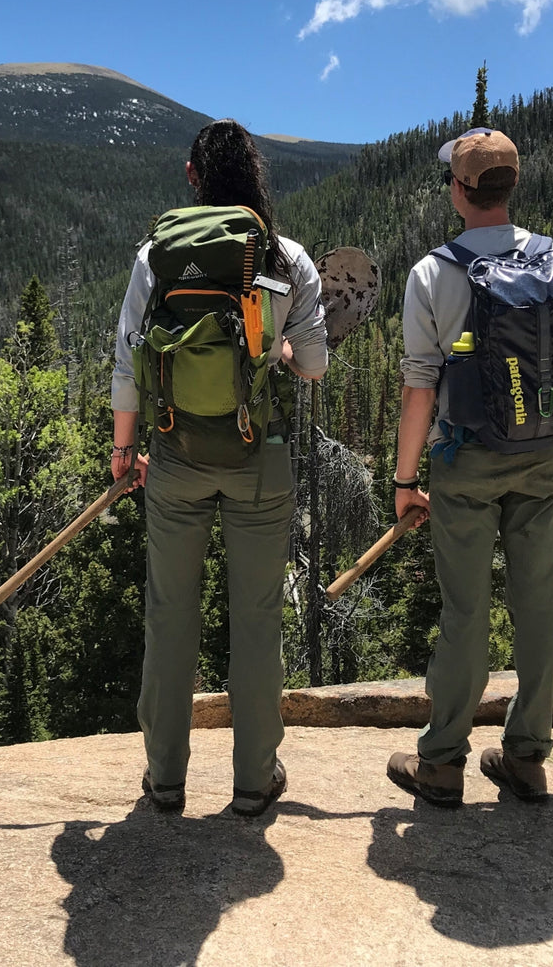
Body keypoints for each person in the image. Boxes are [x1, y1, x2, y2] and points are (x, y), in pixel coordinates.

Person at [111, 119, 327, 817]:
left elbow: (127, 361)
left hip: (174, 454)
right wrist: (283, 357)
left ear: (192, 176)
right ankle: (252, 780)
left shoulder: (156, 254)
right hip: (257, 458)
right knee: (258, 617)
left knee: (171, 614)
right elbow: (314, 365)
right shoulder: (284, 256)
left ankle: (166, 778)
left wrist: (124, 450)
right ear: (255, 179)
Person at [387, 128, 553, 806]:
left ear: (461, 192)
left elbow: (420, 387)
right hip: (543, 454)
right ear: (510, 186)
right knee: (539, 604)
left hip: (466, 459)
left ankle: (442, 762)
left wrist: (406, 481)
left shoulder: (435, 273)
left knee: (467, 610)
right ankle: (527, 755)